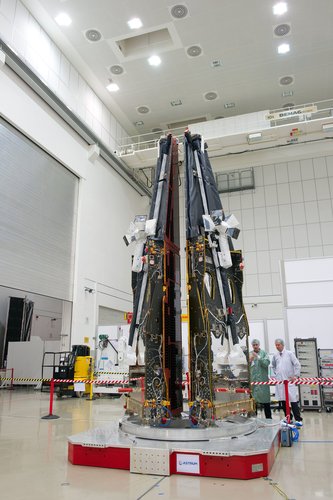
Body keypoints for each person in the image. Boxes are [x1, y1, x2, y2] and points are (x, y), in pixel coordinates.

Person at [271, 338, 302, 423]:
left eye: (278, 345)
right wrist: (276, 374)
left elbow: (297, 364)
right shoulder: (275, 355)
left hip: (289, 382)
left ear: (282, 345)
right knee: (283, 401)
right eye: (276, 345)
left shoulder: (289, 354)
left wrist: (295, 376)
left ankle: (298, 419)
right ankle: (289, 418)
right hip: (280, 382)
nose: (277, 346)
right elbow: (273, 365)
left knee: (293, 401)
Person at [249, 339, 272, 419]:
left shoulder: (264, 353)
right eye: (254, 345)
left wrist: (258, 357)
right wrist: (250, 361)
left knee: (266, 401)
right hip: (253, 382)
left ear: (259, 345)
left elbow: (266, 364)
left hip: (263, 381)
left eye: (256, 345)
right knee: (253, 402)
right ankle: (253, 420)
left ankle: (269, 419)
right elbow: (246, 367)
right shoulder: (250, 354)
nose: (255, 346)